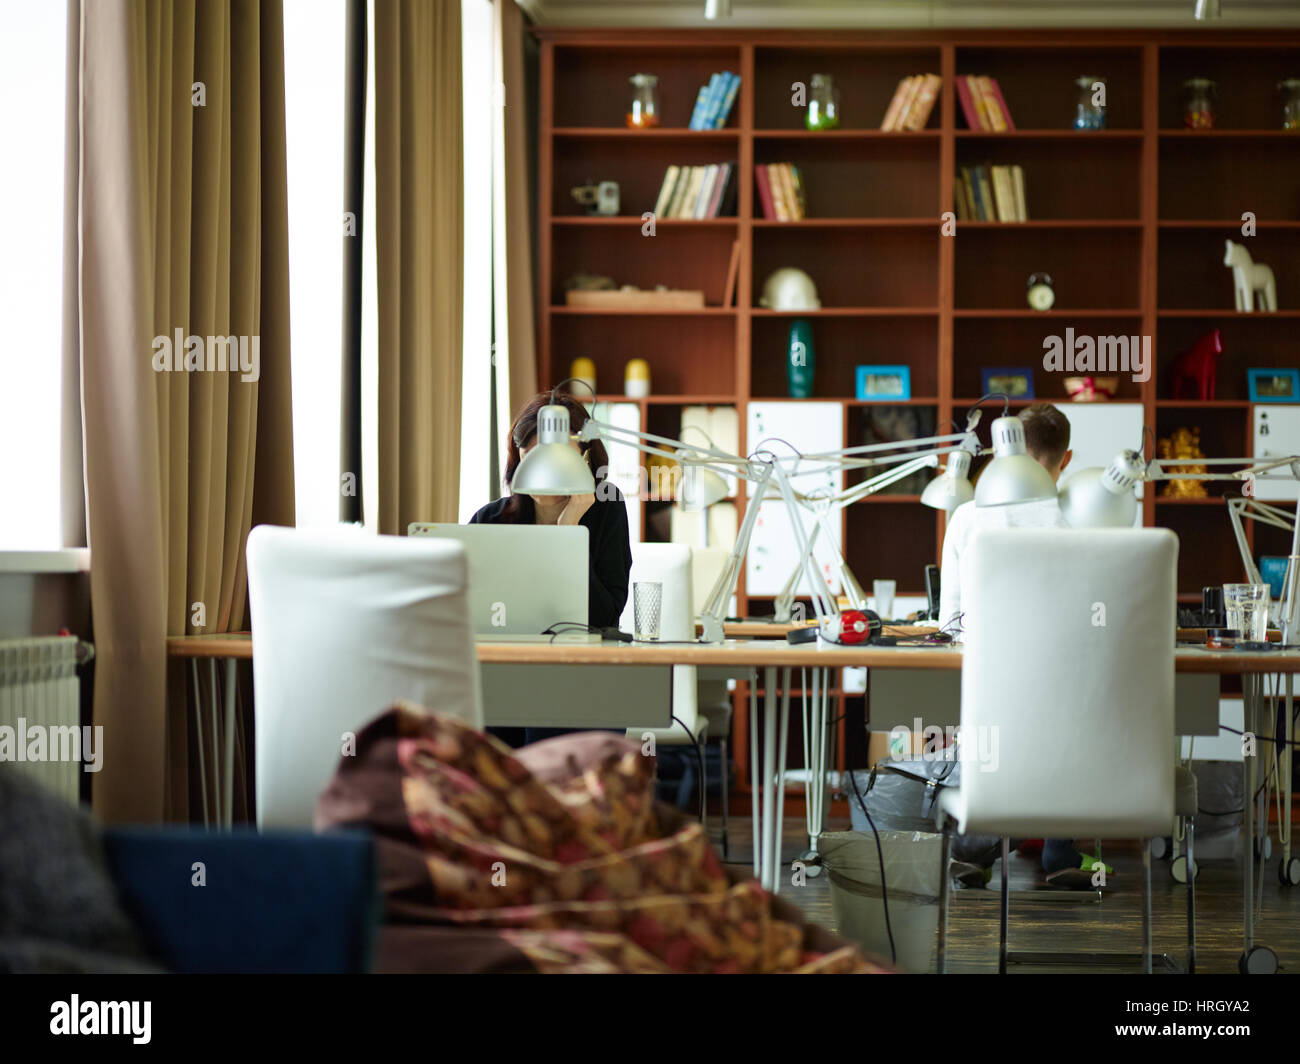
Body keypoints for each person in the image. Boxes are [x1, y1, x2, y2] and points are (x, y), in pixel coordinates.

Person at [938, 402, 1112, 889]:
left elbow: (951, 623)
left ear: (1001, 451)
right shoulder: (1084, 517)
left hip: (990, 691)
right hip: (1068, 692)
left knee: (993, 728)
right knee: (1074, 712)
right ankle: (1060, 851)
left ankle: (975, 847)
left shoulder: (968, 519)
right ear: (1067, 457)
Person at [469, 392, 633, 746]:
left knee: (546, 730)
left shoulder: (607, 508)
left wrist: (568, 533)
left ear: (584, 458)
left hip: (583, 674)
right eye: (533, 457)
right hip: (506, 673)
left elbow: (604, 615)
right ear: (520, 460)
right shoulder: (490, 520)